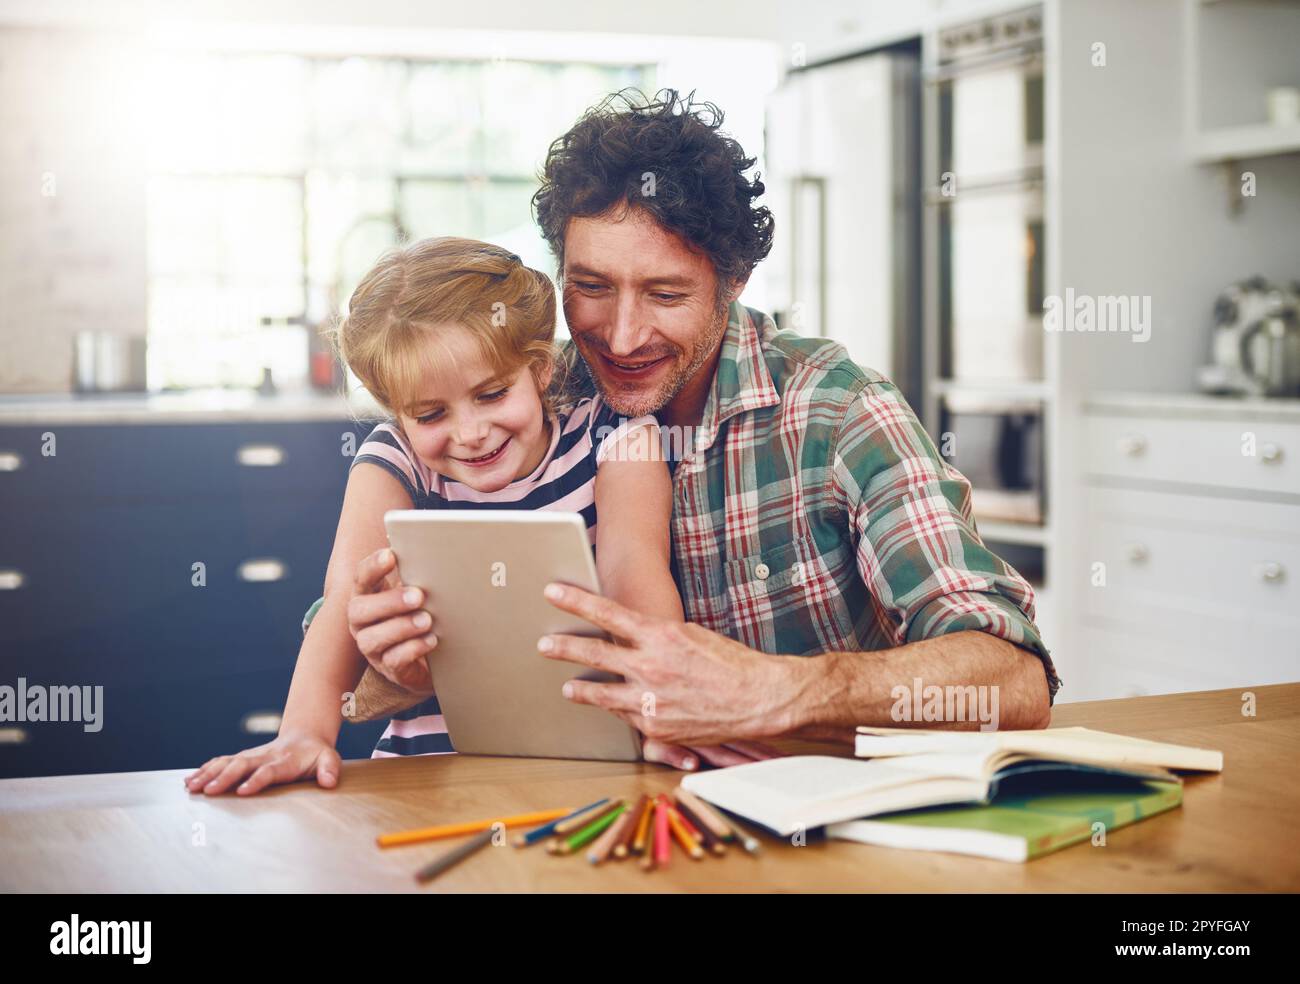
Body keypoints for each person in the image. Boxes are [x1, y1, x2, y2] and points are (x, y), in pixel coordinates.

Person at [345, 89, 1062, 773]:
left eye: (666, 294)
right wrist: (392, 672)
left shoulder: (838, 412)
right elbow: (352, 662)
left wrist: (776, 691)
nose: (622, 337)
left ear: (735, 280)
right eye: (591, 287)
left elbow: (1011, 680)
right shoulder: (515, 402)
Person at [184, 236, 691, 796]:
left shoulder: (614, 432)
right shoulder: (396, 459)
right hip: (428, 779)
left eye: (493, 394)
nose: (470, 433)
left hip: (593, 770)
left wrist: (665, 707)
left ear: (540, 370)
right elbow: (344, 600)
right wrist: (302, 733)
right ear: (397, 414)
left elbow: (632, 566)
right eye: (430, 413)